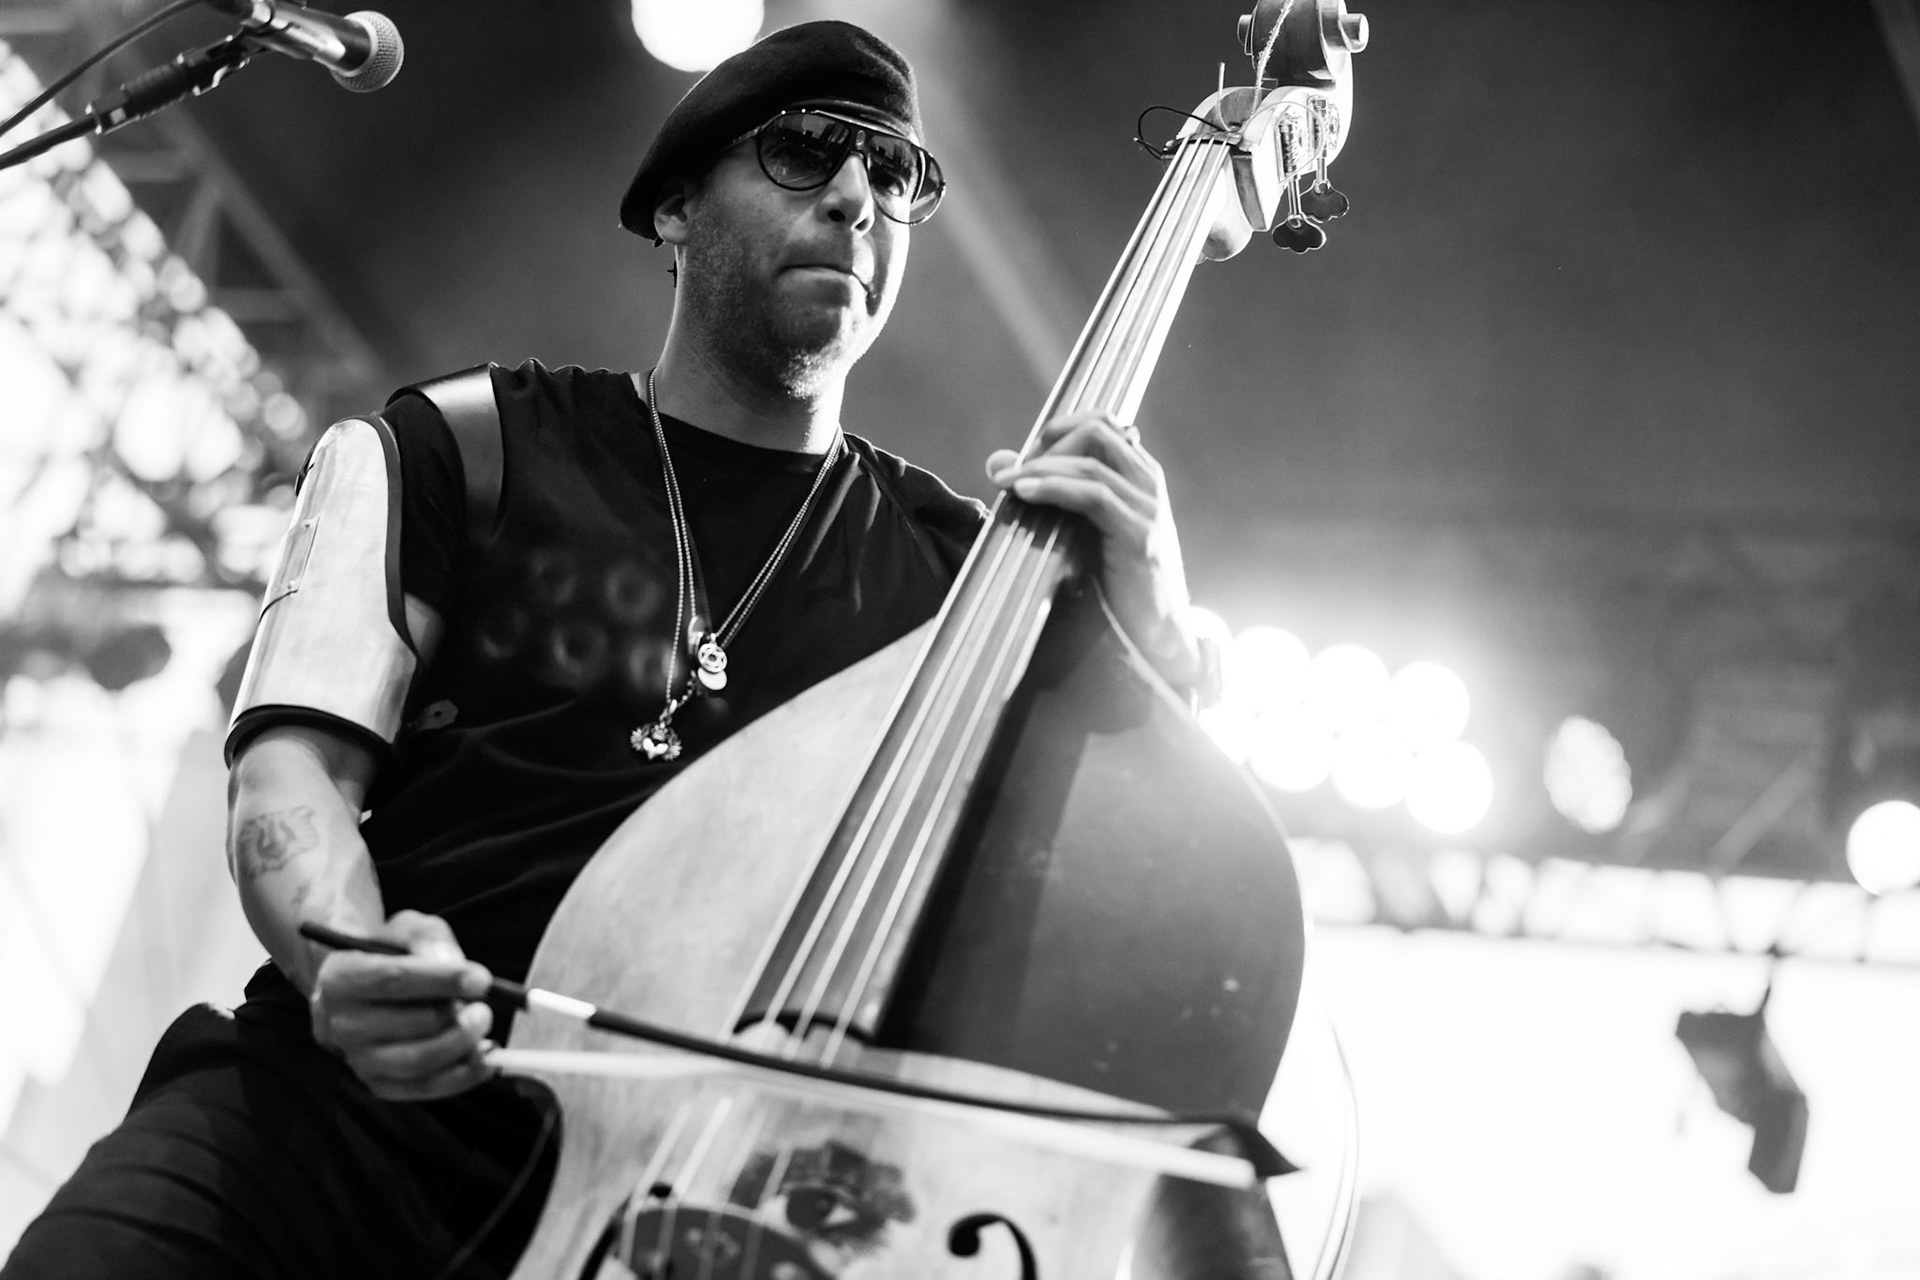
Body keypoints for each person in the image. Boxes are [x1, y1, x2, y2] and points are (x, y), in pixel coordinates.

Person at [2, 20, 1219, 1279]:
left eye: (896, 174)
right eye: (806, 152)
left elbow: (1139, 913)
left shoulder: (962, 592)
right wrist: (345, 961)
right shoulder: (455, 447)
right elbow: (290, 778)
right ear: (678, 208)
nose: (860, 197)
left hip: (673, 1207)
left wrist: (1156, 633)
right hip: (320, 1130)